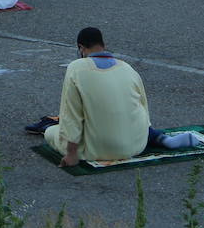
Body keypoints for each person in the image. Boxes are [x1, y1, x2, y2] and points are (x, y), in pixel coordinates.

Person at [41, 27, 150, 167]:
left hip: (96, 150)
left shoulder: (76, 68)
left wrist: (71, 154)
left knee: (50, 132)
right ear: (103, 45)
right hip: (136, 146)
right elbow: (143, 107)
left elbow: (71, 115)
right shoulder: (127, 67)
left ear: (81, 48)